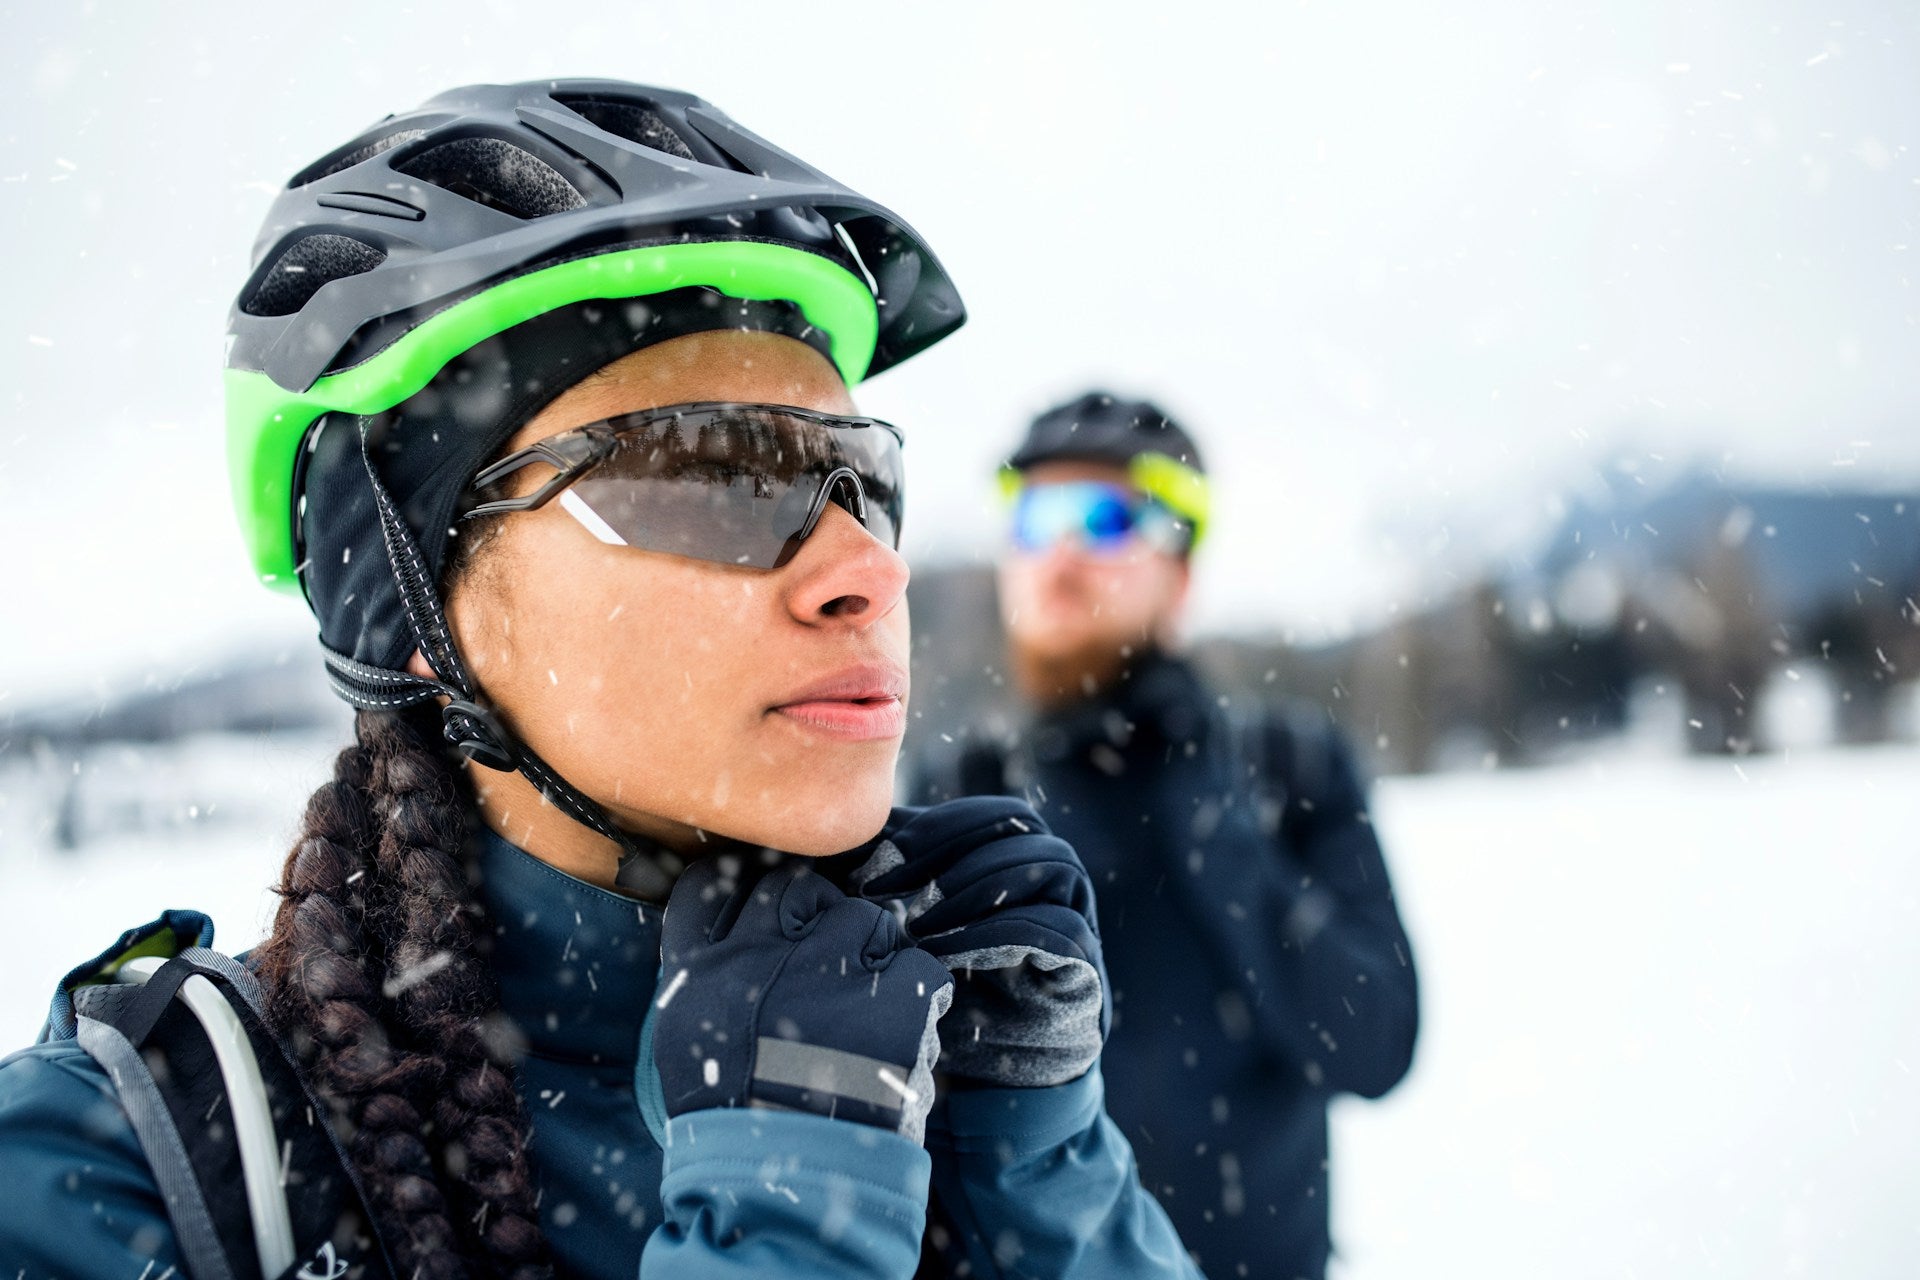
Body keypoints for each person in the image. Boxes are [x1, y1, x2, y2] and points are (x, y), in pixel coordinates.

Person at [0, 82, 1201, 1280]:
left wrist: (1037, 1167)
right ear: (417, 608)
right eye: (713, 476)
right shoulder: (112, 1168)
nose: (871, 571)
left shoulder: (936, 1052)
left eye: (862, 482)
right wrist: (792, 1220)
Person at [910, 391, 1421, 1280]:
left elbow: (1374, 1044)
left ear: (1180, 571)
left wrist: (1209, 819)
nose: (1060, 551)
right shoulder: (965, 789)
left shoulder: (1286, 767)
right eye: (1032, 517)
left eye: (1103, 518)